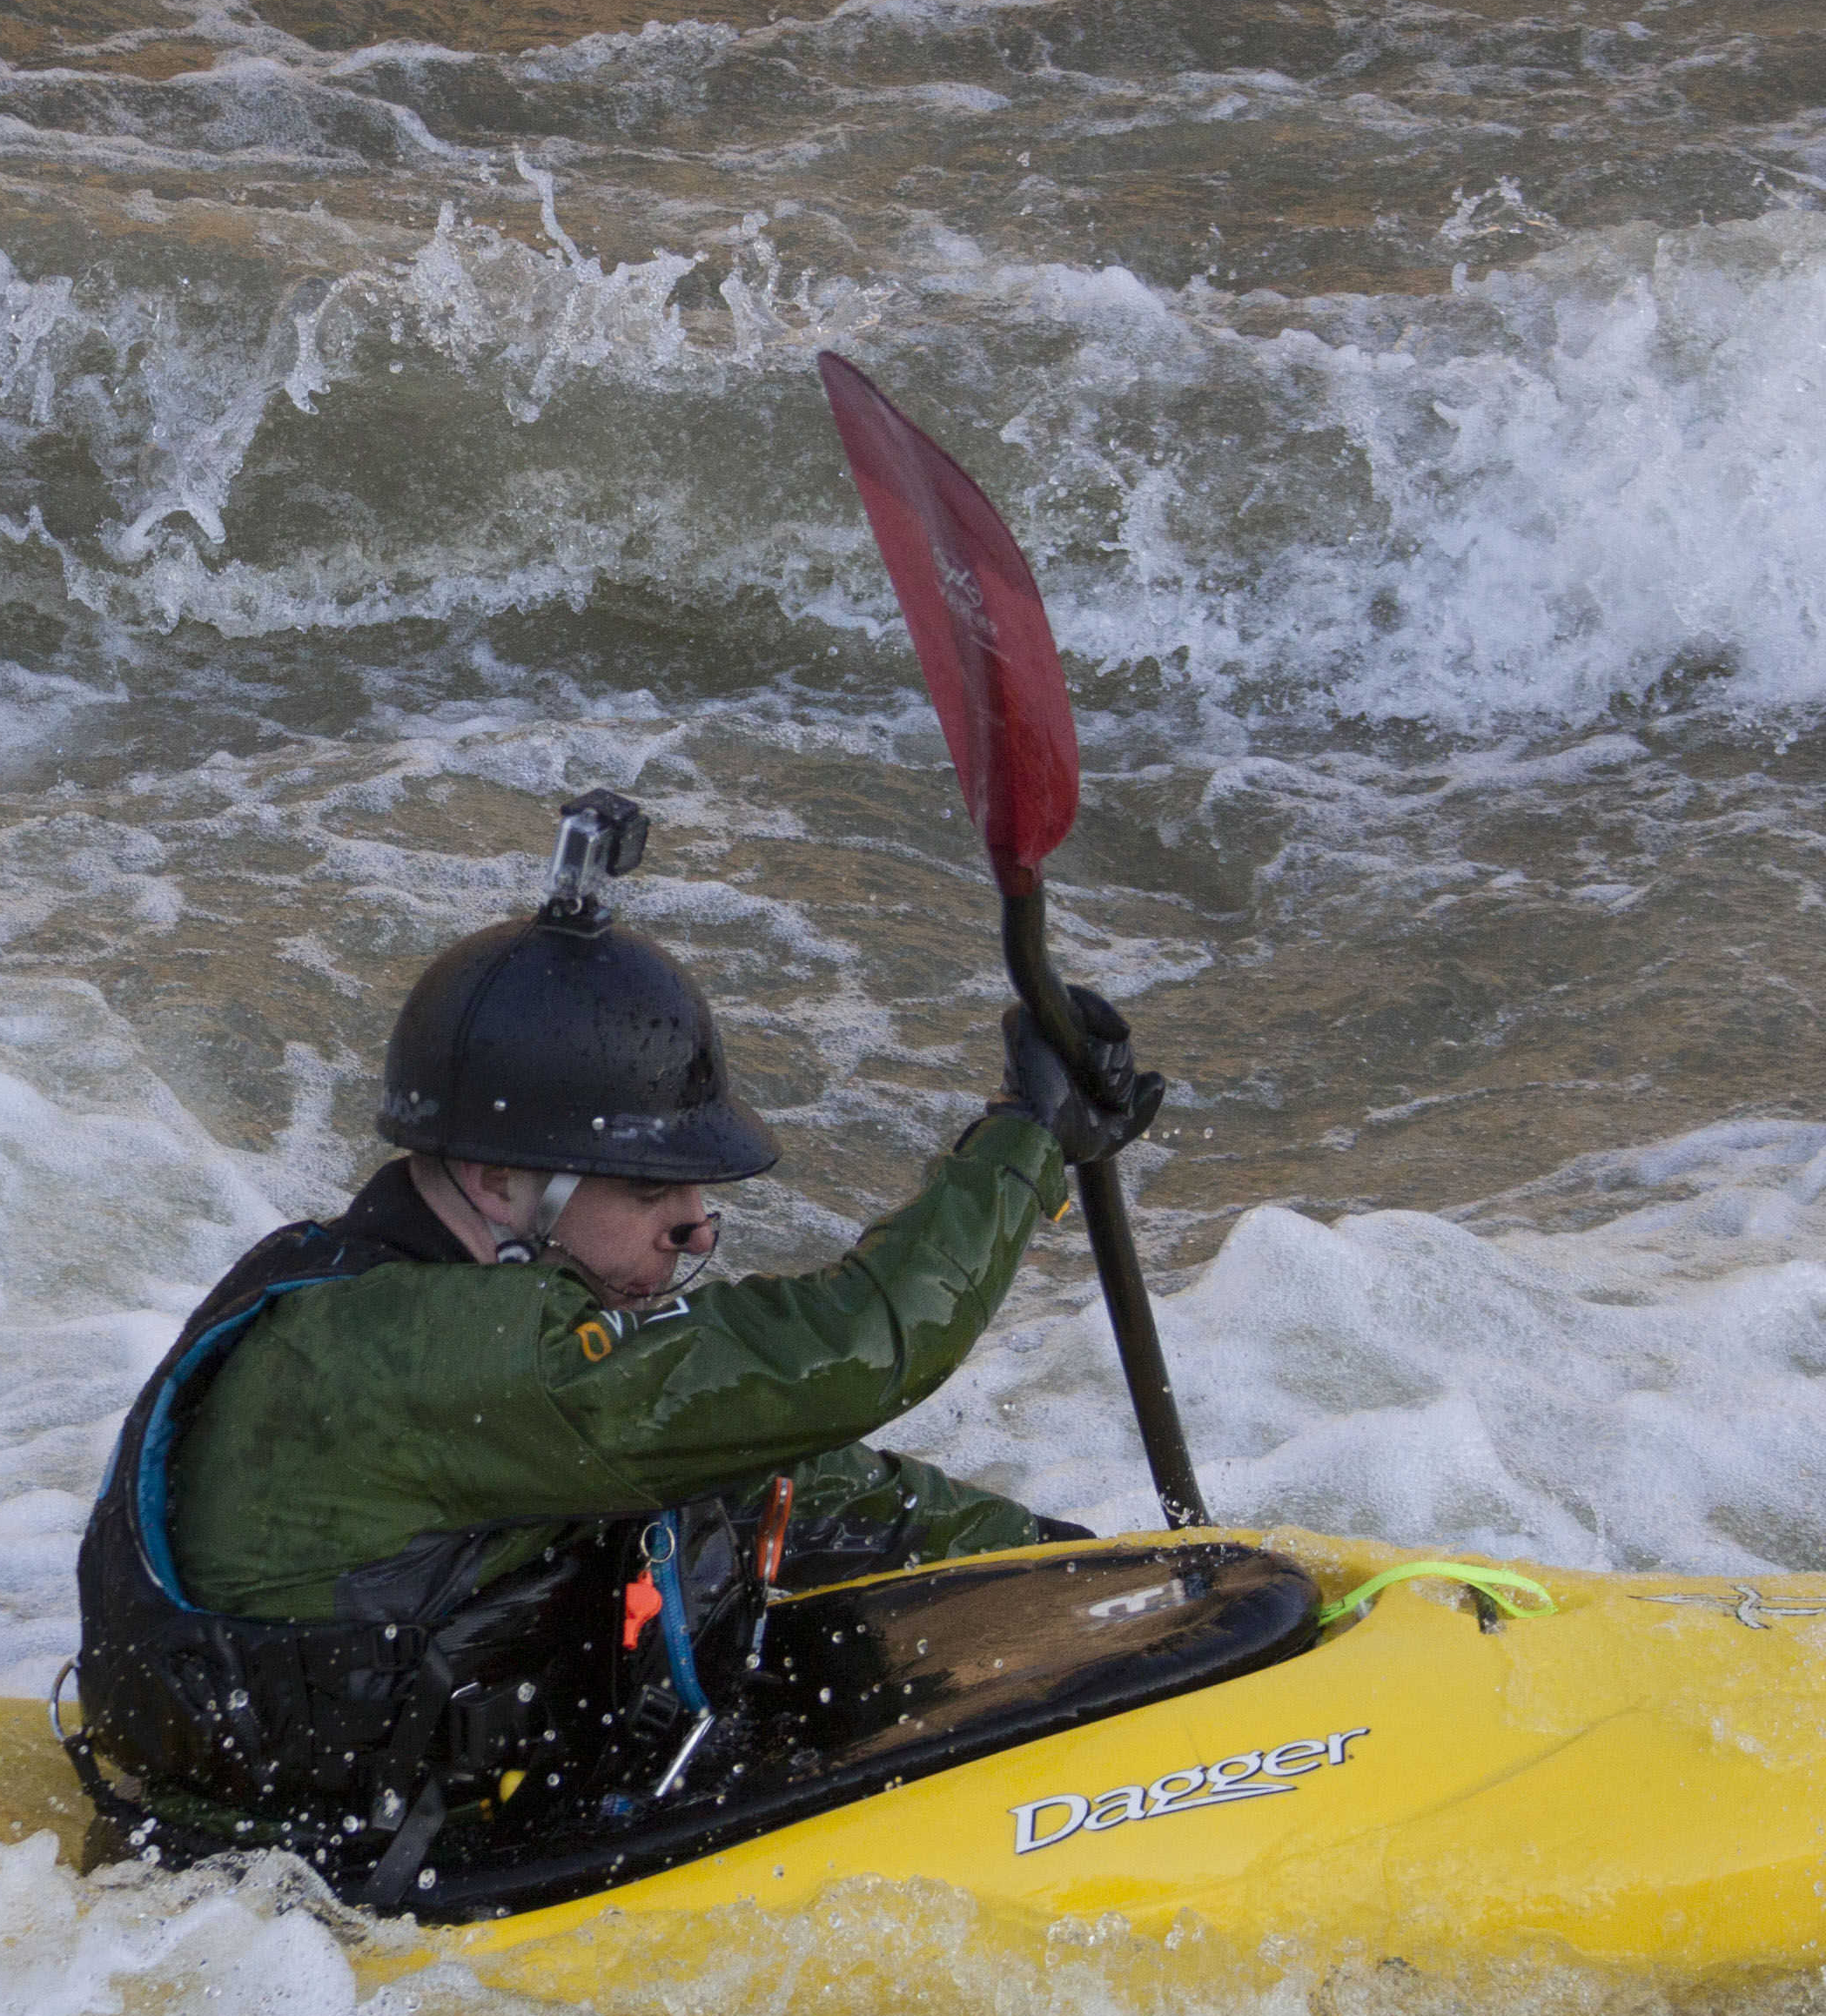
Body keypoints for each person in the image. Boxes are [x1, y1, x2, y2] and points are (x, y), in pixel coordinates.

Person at [72, 790, 1162, 1896]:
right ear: (501, 1181)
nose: (695, 1225)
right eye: (648, 1189)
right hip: (292, 1911)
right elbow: (851, 1351)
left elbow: (772, 1476)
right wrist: (1024, 1141)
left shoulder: (384, 1297)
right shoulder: (427, 1357)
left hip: (346, 1846)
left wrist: (1084, 1576)